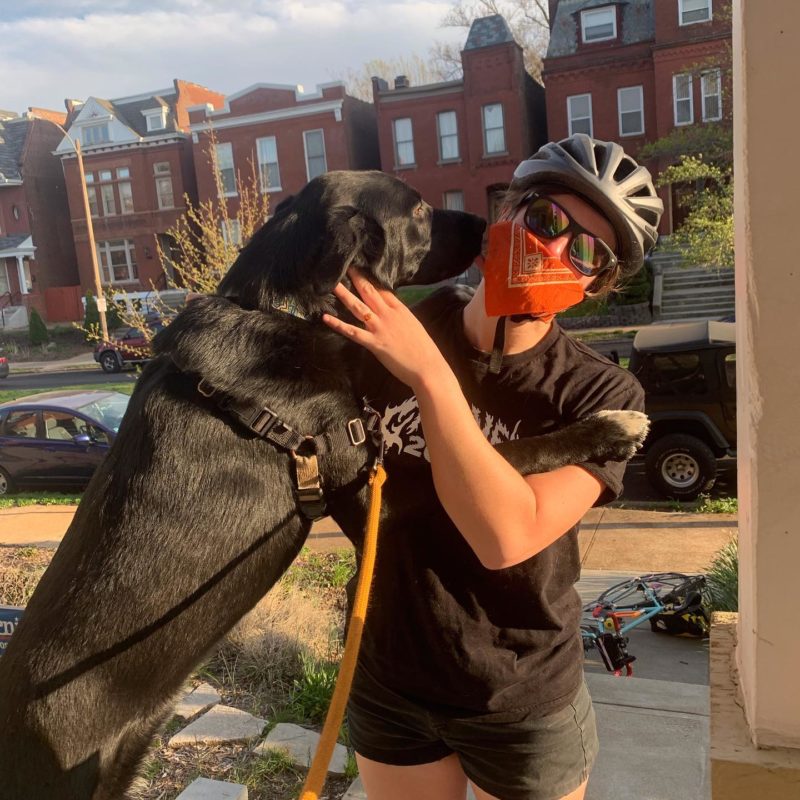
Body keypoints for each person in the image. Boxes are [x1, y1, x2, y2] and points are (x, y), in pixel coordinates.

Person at [322, 134, 664, 800]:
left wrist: (428, 373)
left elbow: (505, 536)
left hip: (518, 696)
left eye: (586, 250)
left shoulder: (599, 396)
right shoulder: (411, 320)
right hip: (391, 674)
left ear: (595, 286)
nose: (553, 250)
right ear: (506, 213)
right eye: (544, 220)